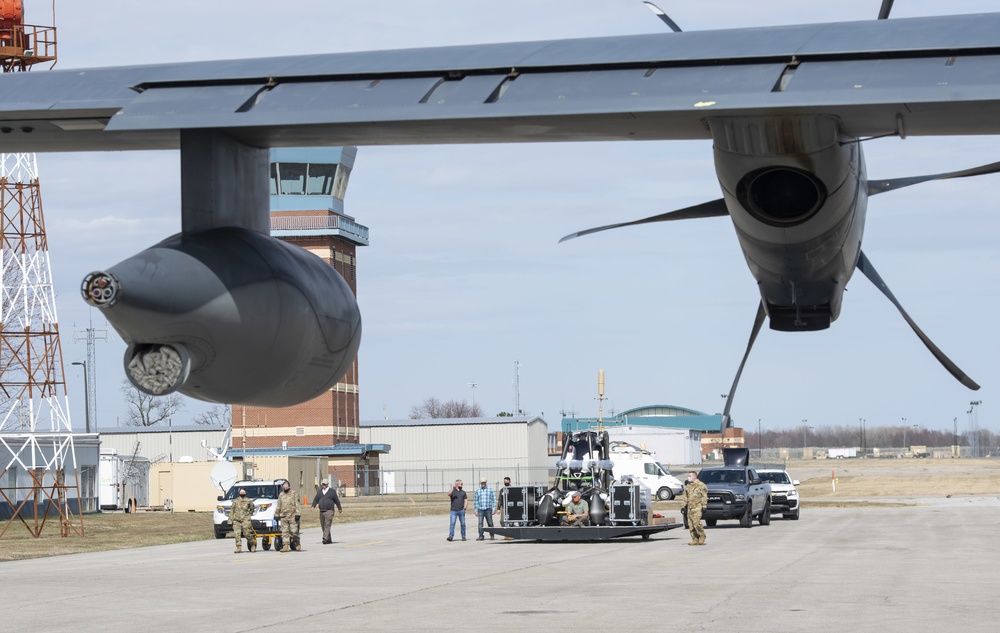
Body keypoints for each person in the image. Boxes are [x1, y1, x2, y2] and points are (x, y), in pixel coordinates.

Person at [311, 480, 343, 545]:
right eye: (323, 484)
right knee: (323, 526)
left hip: (329, 511)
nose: (324, 485)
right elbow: (316, 499)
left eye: (325, 484)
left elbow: (336, 500)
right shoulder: (320, 492)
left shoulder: (332, 492)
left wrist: (339, 508)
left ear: (327, 484)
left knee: (327, 525)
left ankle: (325, 538)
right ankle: (329, 539)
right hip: (321, 511)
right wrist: (313, 506)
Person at [683, 470, 708, 546]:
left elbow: (704, 496)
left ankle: (702, 536)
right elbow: (685, 497)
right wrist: (683, 506)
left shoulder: (701, 485)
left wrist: (704, 506)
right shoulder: (688, 485)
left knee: (696, 523)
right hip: (690, 508)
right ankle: (695, 539)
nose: (688, 477)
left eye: (690, 476)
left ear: (694, 476)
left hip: (697, 507)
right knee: (691, 525)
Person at [229, 487, 256, 553]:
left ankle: (252, 544)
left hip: (245, 520)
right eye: (241, 492)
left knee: (247, 533)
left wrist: (248, 515)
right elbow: (232, 510)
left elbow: (252, 509)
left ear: (245, 493)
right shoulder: (235, 501)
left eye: (243, 492)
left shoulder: (248, 501)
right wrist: (230, 520)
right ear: (239, 493)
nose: (242, 493)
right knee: (237, 534)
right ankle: (238, 547)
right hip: (236, 520)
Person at [276, 480, 299, 552]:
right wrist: (277, 514)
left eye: (286, 486)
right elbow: (279, 505)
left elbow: (297, 504)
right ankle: (285, 546)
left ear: (289, 486)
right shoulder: (281, 495)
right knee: (284, 532)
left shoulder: (294, 494)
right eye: (284, 486)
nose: (285, 488)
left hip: (292, 515)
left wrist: (298, 514)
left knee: (293, 531)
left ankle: (297, 542)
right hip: (284, 516)